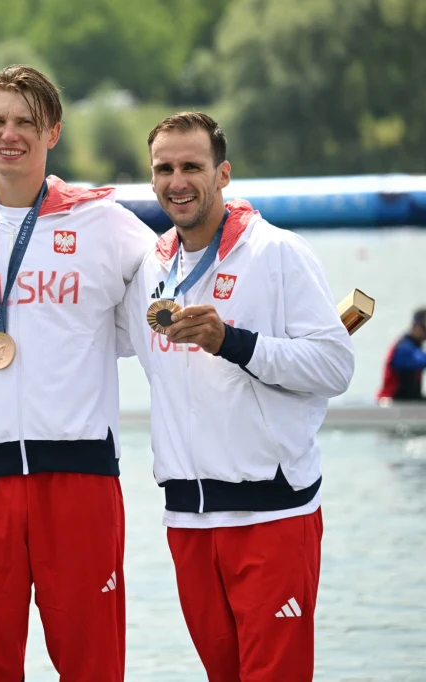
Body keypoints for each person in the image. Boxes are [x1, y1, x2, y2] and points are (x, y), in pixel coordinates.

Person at [0, 65, 156, 681]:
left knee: (92, 665)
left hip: (77, 475)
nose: (10, 134)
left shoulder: (104, 221)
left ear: (52, 132)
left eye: (26, 121)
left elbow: (176, 288)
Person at [115, 112, 355, 681]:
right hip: (189, 518)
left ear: (223, 174)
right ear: (151, 179)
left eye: (192, 166)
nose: (178, 180)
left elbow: (335, 365)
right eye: (165, 168)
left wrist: (233, 343)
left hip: (271, 513)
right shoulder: (151, 265)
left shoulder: (277, 252)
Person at [377, 308, 426, 402]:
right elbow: (419, 361)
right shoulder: (403, 348)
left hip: (407, 402)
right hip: (390, 402)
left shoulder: (416, 348)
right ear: (415, 326)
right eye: (424, 328)